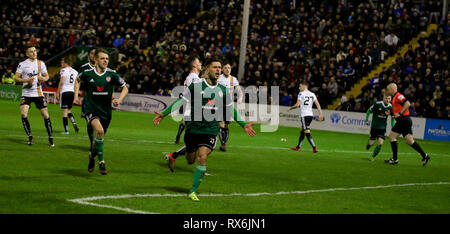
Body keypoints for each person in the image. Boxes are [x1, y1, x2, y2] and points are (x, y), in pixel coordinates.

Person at [153, 57, 256, 201]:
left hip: (210, 130)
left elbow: (230, 109)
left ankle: (193, 191)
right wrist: (163, 114)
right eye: (215, 67)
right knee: (190, 159)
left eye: (220, 67)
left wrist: (243, 124)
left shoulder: (222, 90)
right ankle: (178, 155)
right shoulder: (196, 86)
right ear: (207, 70)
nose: (218, 70)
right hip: (193, 129)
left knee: (202, 157)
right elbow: (181, 101)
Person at [74, 48, 129, 175]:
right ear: (96, 60)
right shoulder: (87, 73)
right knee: (99, 130)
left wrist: (119, 100)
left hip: (105, 111)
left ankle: (92, 156)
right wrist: (76, 96)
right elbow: (77, 80)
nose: (105, 61)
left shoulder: (112, 74)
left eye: (107, 59)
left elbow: (125, 87)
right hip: (90, 109)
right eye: (102, 58)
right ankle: (102, 162)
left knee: (98, 139)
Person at [14, 45, 54, 147]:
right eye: (31, 51)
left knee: (45, 115)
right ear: (27, 54)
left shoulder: (41, 64)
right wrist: (26, 80)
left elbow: (47, 76)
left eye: (35, 51)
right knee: (23, 114)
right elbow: (16, 78)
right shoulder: (22, 64)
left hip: (38, 93)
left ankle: (50, 137)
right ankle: (30, 137)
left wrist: (43, 79)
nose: (34, 53)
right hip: (26, 93)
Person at [384, 83, 430, 166]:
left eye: (388, 89)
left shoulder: (398, 96)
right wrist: (390, 113)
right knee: (409, 141)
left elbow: (407, 104)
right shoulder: (395, 97)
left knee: (392, 136)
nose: (387, 91)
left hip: (403, 120)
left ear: (392, 88)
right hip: (405, 120)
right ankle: (425, 156)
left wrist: (400, 113)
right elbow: (397, 110)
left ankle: (395, 159)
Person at [174, 55, 202, 145]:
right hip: (193, 104)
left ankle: (179, 137)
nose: (200, 63)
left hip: (189, 103)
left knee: (186, 122)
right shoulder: (194, 78)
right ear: (194, 65)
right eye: (198, 62)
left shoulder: (190, 77)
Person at [288, 82, 323, 153]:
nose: (299, 88)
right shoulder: (312, 94)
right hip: (310, 115)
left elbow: (297, 105)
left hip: (304, 115)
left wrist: (290, 108)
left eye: (300, 86)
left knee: (306, 131)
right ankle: (298, 147)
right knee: (302, 130)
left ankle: (314, 148)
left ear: (304, 86)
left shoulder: (301, 94)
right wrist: (320, 114)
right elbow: (318, 105)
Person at [217, 61, 243, 152]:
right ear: (222, 69)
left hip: (228, 105)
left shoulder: (233, 79)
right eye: (226, 68)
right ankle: (223, 144)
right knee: (221, 124)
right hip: (219, 104)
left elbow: (238, 89)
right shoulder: (218, 78)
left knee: (226, 126)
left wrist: (240, 97)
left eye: (229, 68)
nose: (228, 69)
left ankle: (223, 143)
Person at [365, 94, 395, 161]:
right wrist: (366, 119)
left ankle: (373, 157)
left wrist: (393, 127)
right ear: (383, 98)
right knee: (371, 143)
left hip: (382, 128)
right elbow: (368, 110)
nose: (387, 100)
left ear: (391, 99)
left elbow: (393, 118)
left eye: (389, 99)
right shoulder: (377, 104)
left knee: (380, 143)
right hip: (374, 127)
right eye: (386, 98)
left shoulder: (391, 107)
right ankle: (369, 145)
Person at [56, 58, 79, 134]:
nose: (61, 64)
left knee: (64, 112)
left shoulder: (63, 70)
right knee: (68, 110)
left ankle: (66, 130)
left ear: (66, 63)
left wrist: (58, 92)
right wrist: (76, 96)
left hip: (65, 92)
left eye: (62, 62)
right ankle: (74, 123)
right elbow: (76, 84)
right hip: (71, 92)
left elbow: (62, 81)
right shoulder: (75, 72)